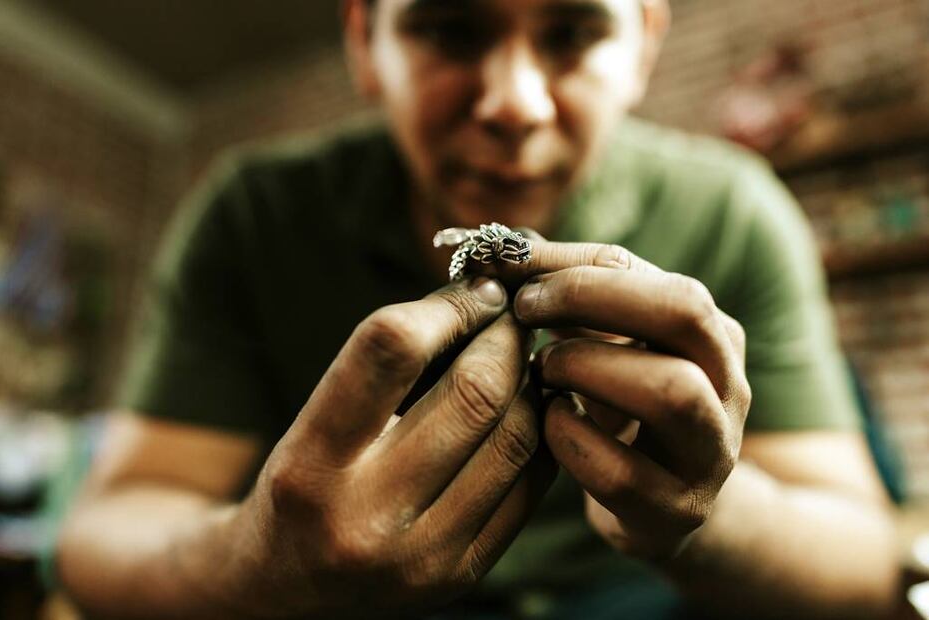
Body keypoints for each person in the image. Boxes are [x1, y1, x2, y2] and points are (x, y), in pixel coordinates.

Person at [54, 0, 899, 618]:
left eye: (572, 33)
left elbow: (863, 561)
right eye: (451, 30)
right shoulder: (252, 213)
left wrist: (704, 511)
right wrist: (259, 564)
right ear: (366, 42)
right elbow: (104, 533)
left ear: (642, 44)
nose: (514, 104)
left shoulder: (735, 211)